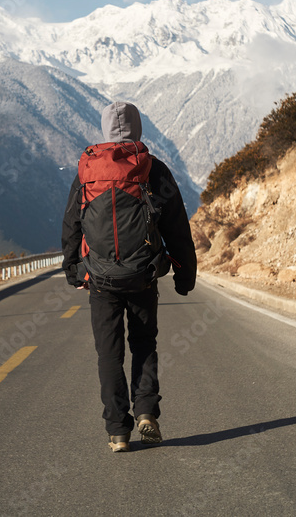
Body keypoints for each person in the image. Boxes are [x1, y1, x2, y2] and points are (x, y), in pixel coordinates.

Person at [61, 101, 197, 452]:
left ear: (105, 131)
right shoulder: (154, 169)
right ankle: (147, 412)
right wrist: (185, 276)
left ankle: (117, 431)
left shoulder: (87, 171)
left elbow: (72, 224)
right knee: (143, 345)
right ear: (138, 128)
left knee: (109, 355)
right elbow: (177, 228)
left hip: (100, 279)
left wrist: (73, 269)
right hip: (143, 275)